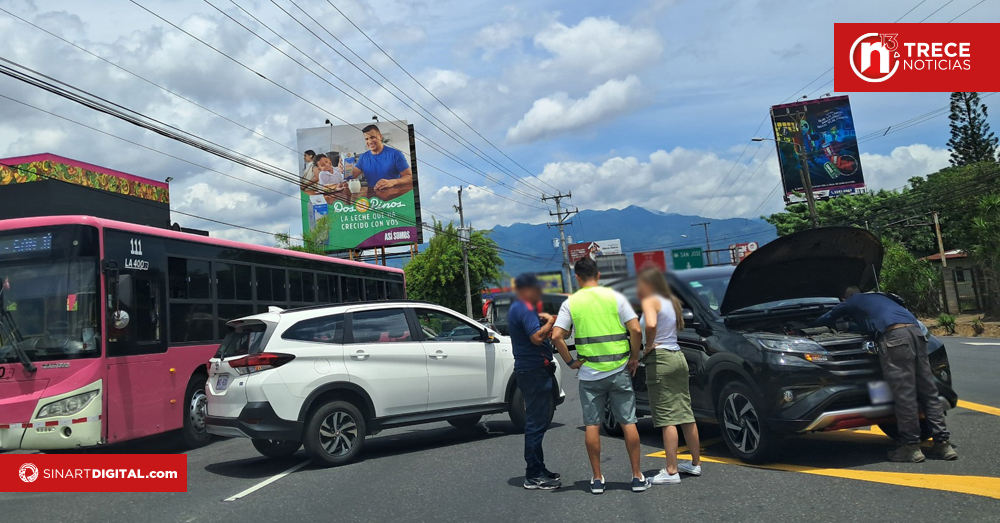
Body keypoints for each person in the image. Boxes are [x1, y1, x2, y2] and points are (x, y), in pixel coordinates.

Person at [813, 286, 958, 463]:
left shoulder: (851, 302)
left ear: (844, 299)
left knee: (904, 394)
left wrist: (805, 326)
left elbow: (826, 319)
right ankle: (943, 444)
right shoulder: (881, 297)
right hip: (916, 333)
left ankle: (911, 447)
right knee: (928, 390)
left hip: (895, 338)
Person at [550, 256, 650, 494]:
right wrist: (634, 357)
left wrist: (570, 362)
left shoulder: (571, 303)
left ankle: (597, 479)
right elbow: (636, 329)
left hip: (589, 374)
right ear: (599, 275)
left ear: (577, 277)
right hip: (618, 369)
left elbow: (556, 336)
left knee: (593, 425)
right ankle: (636, 476)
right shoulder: (615, 297)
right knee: (629, 422)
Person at [636, 268, 701, 485]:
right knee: (685, 411)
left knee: (667, 417)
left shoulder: (650, 300)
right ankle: (694, 463)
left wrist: (648, 346)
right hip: (677, 356)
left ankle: (671, 470)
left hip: (660, 357)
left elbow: (651, 325)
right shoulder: (671, 301)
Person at [508, 273, 561, 490]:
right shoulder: (525, 308)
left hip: (529, 370)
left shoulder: (518, 308)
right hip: (534, 370)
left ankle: (539, 467)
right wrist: (549, 322)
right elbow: (536, 338)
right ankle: (533, 475)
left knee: (537, 422)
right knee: (535, 423)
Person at [342, 125, 413, 194]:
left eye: (372, 137)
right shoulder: (363, 157)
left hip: (393, 199)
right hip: (372, 199)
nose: (369, 141)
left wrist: (392, 182)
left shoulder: (396, 154)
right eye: (366, 139)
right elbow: (351, 176)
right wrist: (343, 167)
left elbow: (410, 177)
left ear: (380, 137)